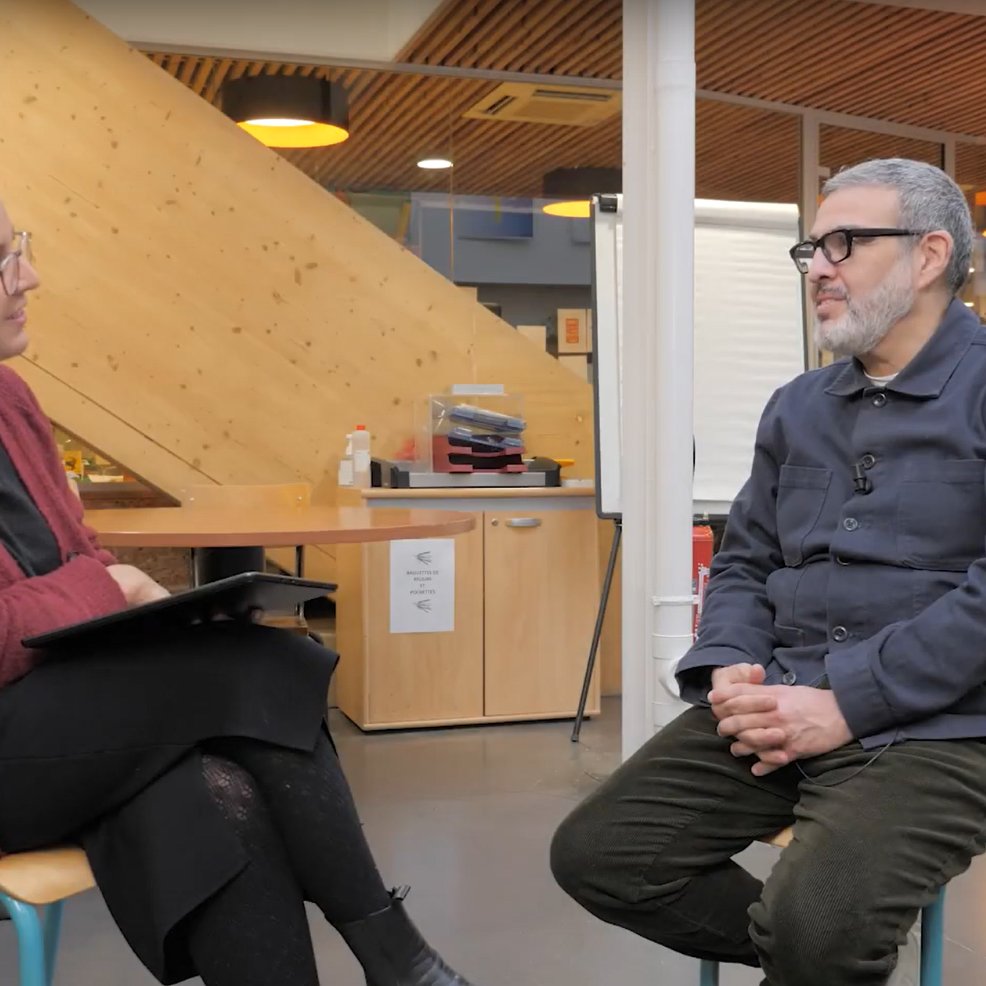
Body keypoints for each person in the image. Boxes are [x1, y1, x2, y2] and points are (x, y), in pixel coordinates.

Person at [0, 197, 479, 986]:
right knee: (257, 665)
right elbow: (76, 584)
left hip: (58, 721)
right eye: (6, 260)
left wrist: (133, 605)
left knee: (216, 791)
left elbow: (78, 554)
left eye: (22, 248)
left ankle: (400, 962)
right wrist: (105, 585)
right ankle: (400, 959)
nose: (33, 276)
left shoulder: (13, 400)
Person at [550, 157, 986, 986]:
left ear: (930, 256)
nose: (819, 267)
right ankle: (815, 959)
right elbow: (746, 556)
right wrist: (730, 670)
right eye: (813, 248)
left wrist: (849, 702)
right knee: (600, 855)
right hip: (785, 697)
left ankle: (818, 950)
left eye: (845, 244)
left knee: (816, 924)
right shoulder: (798, 405)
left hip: (950, 730)